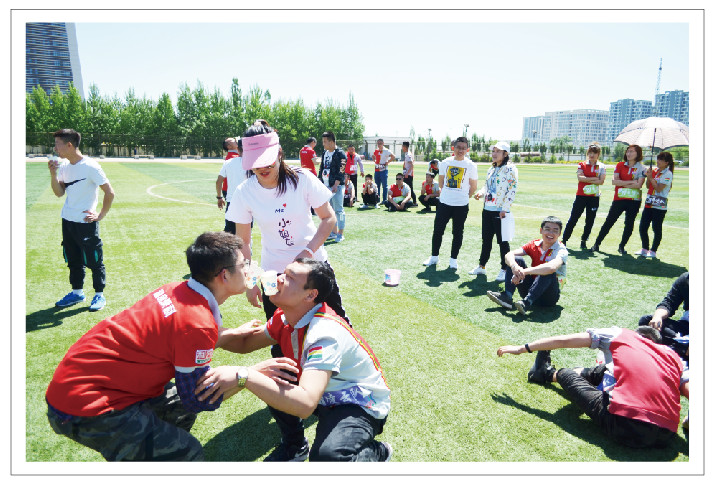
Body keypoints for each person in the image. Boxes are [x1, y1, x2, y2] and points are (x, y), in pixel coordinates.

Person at [45, 232, 294, 461]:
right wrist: (248, 375)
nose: (250, 269)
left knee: (179, 412)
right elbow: (197, 399)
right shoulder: (196, 323)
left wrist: (230, 334)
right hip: (84, 405)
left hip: (83, 380)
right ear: (224, 276)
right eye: (243, 264)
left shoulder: (177, 290)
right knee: (187, 453)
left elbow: (179, 340)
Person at [195, 259, 392, 462]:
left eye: (290, 277)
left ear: (310, 295)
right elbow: (245, 343)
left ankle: (377, 452)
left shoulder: (324, 334)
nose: (279, 278)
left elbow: (305, 405)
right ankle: (295, 446)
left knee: (328, 458)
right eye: (284, 273)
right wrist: (199, 336)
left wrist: (244, 375)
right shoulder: (286, 317)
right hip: (324, 393)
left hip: (357, 402)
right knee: (277, 374)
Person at [225, 120, 347, 323]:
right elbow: (244, 242)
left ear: (279, 153)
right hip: (273, 275)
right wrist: (251, 281)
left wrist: (307, 252)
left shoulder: (302, 179)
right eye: (256, 163)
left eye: (268, 161)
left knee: (336, 324)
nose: (262, 168)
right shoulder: (244, 192)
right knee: (280, 333)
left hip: (313, 268)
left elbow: (328, 218)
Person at [497, 325, 689, 448]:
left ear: (638, 335)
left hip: (626, 426)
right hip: (666, 435)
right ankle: (551, 373)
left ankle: (546, 373)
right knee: (605, 370)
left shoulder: (621, 335)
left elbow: (564, 340)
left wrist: (523, 348)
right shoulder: (673, 357)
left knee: (566, 374)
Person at [49, 128, 115, 312]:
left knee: (94, 260)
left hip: (86, 222)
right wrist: (53, 174)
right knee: (73, 259)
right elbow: (59, 193)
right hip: (68, 221)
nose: (55, 148)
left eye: (57, 144)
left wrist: (100, 215)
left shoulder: (90, 166)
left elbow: (109, 192)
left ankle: (99, 295)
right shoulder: (64, 166)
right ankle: (77, 293)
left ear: (69, 145)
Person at [487, 216, 567, 316]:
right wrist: (515, 267)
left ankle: (527, 302)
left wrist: (524, 272)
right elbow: (508, 255)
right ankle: (507, 297)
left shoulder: (561, 250)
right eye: (547, 229)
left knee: (548, 272)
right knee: (516, 259)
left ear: (559, 234)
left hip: (548, 297)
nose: (551, 233)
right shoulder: (534, 244)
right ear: (541, 230)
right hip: (529, 289)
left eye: (555, 230)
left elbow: (552, 268)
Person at [422, 137, 478, 270]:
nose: (461, 150)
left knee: (457, 232)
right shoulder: (445, 163)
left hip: (461, 205)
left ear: (467, 150)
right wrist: (449, 194)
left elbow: (473, 186)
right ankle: (434, 257)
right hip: (444, 203)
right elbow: (441, 183)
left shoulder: (471, 165)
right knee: (438, 230)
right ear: (453, 148)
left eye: (464, 148)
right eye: (458, 147)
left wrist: (464, 197)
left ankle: (453, 259)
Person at [471, 141, 518, 282]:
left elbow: (512, 189)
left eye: (498, 151)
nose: (494, 153)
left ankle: (505, 269)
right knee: (486, 240)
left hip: (500, 211)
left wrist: (505, 208)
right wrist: (481, 193)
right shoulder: (491, 169)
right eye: (493, 151)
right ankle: (482, 266)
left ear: (505, 154)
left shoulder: (510, 169)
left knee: (502, 242)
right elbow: (487, 186)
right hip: (487, 209)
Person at [591, 144, 646, 255]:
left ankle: (622, 246)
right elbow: (614, 181)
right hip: (619, 198)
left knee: (629, 224)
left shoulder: (642, 168)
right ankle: (597, 244)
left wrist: (623, 183)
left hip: (634, 200)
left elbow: (639, 185)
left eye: (632, 151)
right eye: (628, 151)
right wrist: (632, 182)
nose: (629, 153)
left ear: (638, 154)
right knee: (609, 221)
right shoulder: (620, 165)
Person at [561, 143, 606, 250]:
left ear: (598, 154)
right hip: (581, 196)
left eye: (594, 153)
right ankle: (564, 240)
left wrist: (587, 179)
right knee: (574, 218)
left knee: (590, 220)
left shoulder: (601, 166)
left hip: (594, 197)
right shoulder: (582, 164)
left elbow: (601, 181)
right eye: (590, 152)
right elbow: (580, 178)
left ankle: (584, 240)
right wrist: (594, 179)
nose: (592, 155)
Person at [638, 271, 689, 360]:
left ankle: (677, 348)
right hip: (686, 326)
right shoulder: (686, 279)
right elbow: (669, 302)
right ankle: (681, 348)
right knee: (646, 321)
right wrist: (658, 316)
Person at [636, 151, 675, 258]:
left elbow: (658, 188)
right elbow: (648, 186)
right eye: (658, 158)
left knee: (656, 228)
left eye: (661, 159)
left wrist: (651, 178)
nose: (658, 161)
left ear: (666, 163)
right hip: (649, 203)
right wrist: (649, 176)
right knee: (643, 227)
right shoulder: (655, 171)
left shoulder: (668, 173)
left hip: (659, 205)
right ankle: (645, 248)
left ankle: (653, 251)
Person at [318, 131, 348, 242]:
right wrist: (319, 180)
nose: (323, 144)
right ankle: (333, 233)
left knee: (339, 210)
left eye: (325, 141)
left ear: (331, 142)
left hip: (337, 187)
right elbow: (322, 167)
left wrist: (336, 184)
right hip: (326, 186)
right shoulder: (325, 153)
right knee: (330, 210)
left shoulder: (341, 153)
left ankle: (340, 233)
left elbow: (341, 170)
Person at [216, 138, 247, 234]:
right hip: (246, 201)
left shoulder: (228, 162)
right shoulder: (251, 164)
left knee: (229, 231)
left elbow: (218, 181)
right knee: (245, 231)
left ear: (238, 149)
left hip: (232, 199)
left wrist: (219, 197)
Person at [373, 138, 396, 207]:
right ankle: (377, 200)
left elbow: (393, 156)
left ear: (383, 143)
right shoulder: (376, 150)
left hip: (384, 170)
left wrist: (388, 162)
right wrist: (374, 160)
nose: (379, 145)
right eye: (378, 143)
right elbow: (373, 156)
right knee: (377, 185)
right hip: (377, 170)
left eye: (380, 143)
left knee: (384, 186)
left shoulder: (386, 150)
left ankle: (384, 200)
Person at [401, 141, 417, 207]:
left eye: (402, 146)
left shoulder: (408, 155)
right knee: (407, 188)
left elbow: (412, 165)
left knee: (409, 188)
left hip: (408, 175)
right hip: (407, 174)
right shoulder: (407, 154)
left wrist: (407, 173)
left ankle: (415, 202)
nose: (402, 148)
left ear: (405, 147)